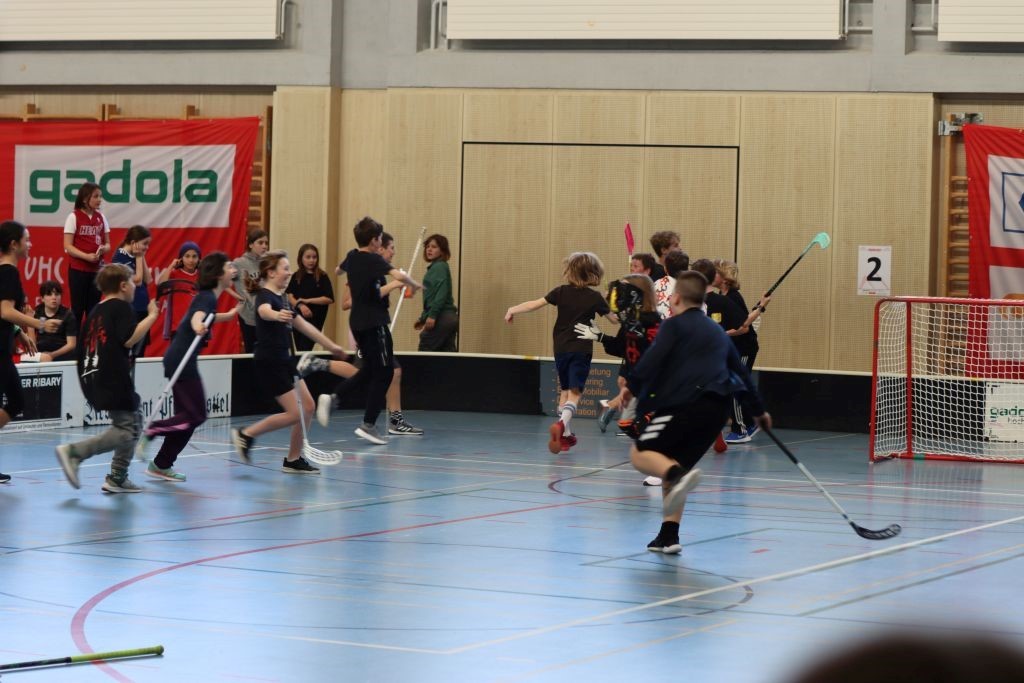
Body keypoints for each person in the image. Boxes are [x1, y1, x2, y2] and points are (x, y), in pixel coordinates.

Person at [627, 271, 771, 554]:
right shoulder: (717, 331)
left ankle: (675, 475)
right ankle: (669, 536)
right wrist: (758, 412)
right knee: (673, 464)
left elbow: (652, 361)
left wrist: (630, 388)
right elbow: (740, 373)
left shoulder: (673, 325)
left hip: (684, 404)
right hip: (716, 411)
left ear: (675, 298)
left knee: (641, 453)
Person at [229, 251, 346, 472]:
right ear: (271, 273)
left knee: (308, 406)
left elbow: (304, 326)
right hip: (270, 362)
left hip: (285, 360)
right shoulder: (265, 295)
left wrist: (331, 346)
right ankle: (246, 434)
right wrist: (276, 315)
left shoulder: (282, 298)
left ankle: (293, 459)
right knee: (294, 413)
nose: (289, 272)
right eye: (285, 268)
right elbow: (263, 311)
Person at [313, 219, 422, 445]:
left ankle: (335, 399)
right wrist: (415, 284)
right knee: (386, 372)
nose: (382, 243)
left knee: (370, 370)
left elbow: (338, 270)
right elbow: (399, 276)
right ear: (374, 241)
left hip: (358, 324)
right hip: (375, 323)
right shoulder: (373, 260)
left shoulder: (352, 256)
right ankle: (367, 423)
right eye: (380, 239)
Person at [54, 263, 159, 493]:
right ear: (123, 286)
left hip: (94, 376)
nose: (135, 286)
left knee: (134, 418)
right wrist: (152, 315)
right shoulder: (121, 307)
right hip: (111, 377)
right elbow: (129, 338)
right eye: (132, 282)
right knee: (126, 430)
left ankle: (117, 477)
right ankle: (75, 452)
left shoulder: (96, 311)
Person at [138, 253, 240, 481]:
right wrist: (197, 326)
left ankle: (161, 464)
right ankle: (153, 428)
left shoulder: (209, 297)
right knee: (196, 415)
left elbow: (208, 316)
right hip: (181, 360)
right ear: (218, 274)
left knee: (188, 419)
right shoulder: (207, 298)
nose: (233, 270)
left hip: (180, 358)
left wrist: (230, 315)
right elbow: (198, 316)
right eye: (229, 267)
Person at [505, 251, 610, 454]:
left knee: (565, 390)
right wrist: (614, 304)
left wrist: (512, 309)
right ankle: (561, 425)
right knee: (575, 393)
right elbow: (614, 320)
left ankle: (566, 436)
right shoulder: (595, 297)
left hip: (560, 348)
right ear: (593, 273)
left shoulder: (560, 292)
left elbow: (534, 305)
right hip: (581, 349)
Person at [1, 221, 58, 483]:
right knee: (14, 401)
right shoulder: (8, 272)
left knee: (15, 402)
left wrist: (18, 332)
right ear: (14, 244)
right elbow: (5, 311)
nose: (30, 244)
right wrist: (39, 324)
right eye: (27, 239)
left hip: (4, 347)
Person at [576, 274, 660, 436]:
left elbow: (651, 357)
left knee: (641, 424)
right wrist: (600, 336)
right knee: (627, 425)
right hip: (639, 383)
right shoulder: (631, 322)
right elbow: (622, 348)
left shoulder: (651, 322)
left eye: (624, 289)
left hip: (656, 385)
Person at [714, 259, 770, 444]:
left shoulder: (733, 297)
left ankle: (740, 429)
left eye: (715, 273)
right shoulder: (721, 296)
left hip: (744, 347)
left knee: (735, 386)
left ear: (724, 278)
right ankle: (749, 422)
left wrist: (723, 333)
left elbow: (744, 327)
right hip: (733, 348)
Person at [63, 182, 111, 326]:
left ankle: (90, 339)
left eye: (100, 196)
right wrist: (86, 256)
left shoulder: (101, 217)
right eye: (96, 196)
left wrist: (103, 249)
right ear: (85, 199)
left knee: (93, 310)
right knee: (77, 310)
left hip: (96, 271)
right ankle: (74, 339)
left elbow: (108, 244)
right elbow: (67, 246)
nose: (99, 200)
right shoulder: (73, 216)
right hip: (78, 270)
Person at [111, 225, 153, 357]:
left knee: (140, 352)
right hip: (130, 310)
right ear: (134, 242)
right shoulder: (119, 257)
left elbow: (148, 279)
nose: (147, 247)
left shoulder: (136, 255)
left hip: (142, 309)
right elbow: (137, 280)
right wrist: (139, 257)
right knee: (130, 352)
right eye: (145, 243)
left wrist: (141, 256)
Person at [286, 243, 334, 352]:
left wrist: (308, 301)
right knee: (300, 349)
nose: (312, 260)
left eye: (314, 257)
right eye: (308, 257)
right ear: (301, 258)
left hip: (315, 319)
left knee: (305, 347)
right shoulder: (296, 276)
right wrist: (300, 305)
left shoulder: (322, 276)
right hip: (298, 317)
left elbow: (329, 298)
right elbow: (290, 295)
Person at [416, 233, 459, 352]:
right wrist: (423, 318)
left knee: (425, 349)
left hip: (442, 316)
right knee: (447, 354)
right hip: (448, 318)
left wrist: (432, 315)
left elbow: (441, 293)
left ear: (442, 251)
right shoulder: (437, 267)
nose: (429, 249)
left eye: (434, 247)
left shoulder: (439, 267)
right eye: (428, 246)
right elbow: (432, 296)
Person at [230, 229, 269, 353]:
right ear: (251, 244)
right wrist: (238, 296)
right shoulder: (239, 263)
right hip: (249, 315)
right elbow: (221, 279)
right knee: (251, 351)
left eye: (266, 243)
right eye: (260, 243)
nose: (264, 246)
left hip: (266, 313)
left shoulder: (267, 262)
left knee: (265, 351)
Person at [156, 241, 202, 340]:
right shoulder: (174, 274)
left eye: (194, 256)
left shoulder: (202, 276)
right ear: (181, 258)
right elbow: (161, 284)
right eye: (187, 256)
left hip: (197, 325)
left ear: (199, 259)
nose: (191, 260)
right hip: (178, 325)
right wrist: (171, 266)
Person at [30, 280, 77, 362]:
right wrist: (30, 322)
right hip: (42, 355)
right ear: (42, 298)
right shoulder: (37, 312)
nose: (54, 297)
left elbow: (71, 344)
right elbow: (32, 344)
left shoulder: (68, 315)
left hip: (62, 355)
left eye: (57, 294)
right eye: (49, 294)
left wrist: (51, 355)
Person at [653, 248, 690, 319]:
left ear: (665, 268)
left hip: (660, 324)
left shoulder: (657, 284)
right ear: (687, 269)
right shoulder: (693, 286)